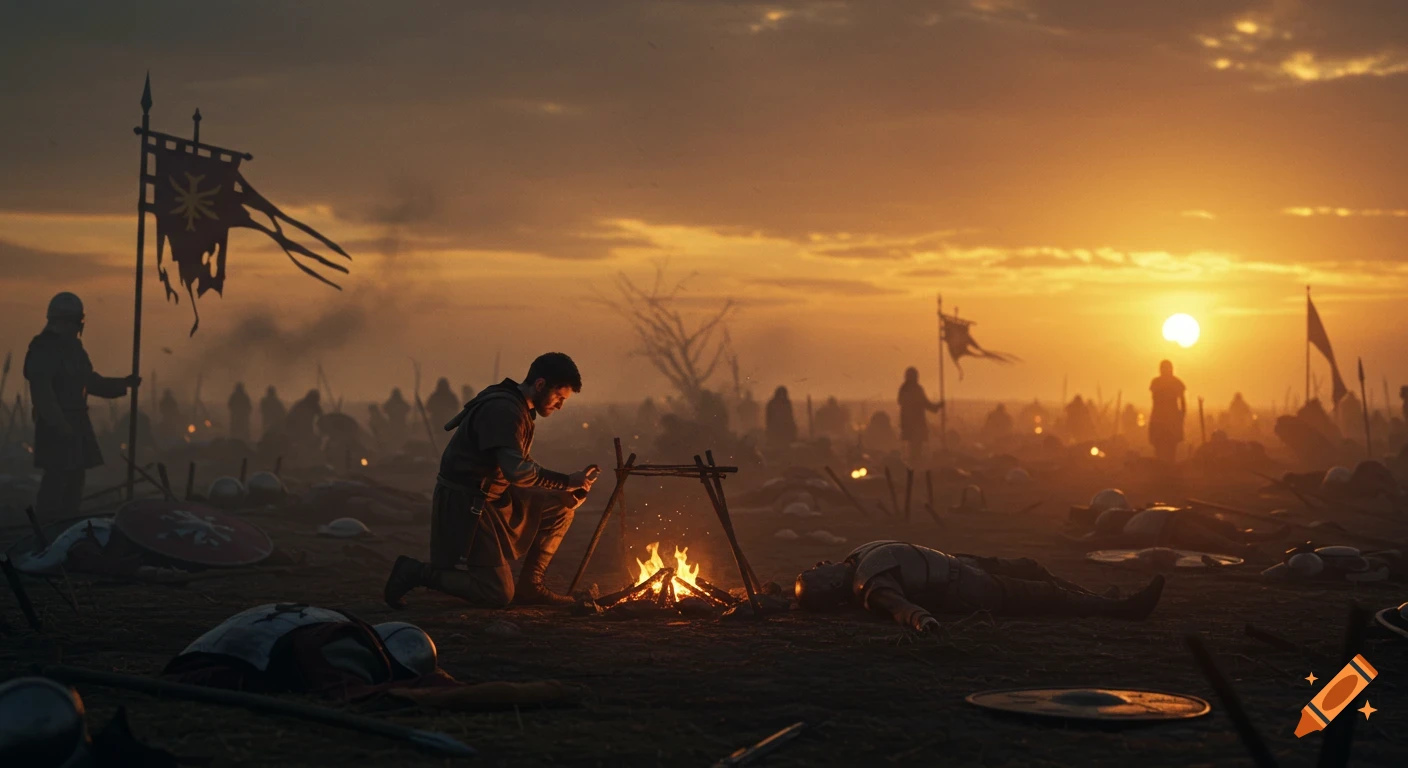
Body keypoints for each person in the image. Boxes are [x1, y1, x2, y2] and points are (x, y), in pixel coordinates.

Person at [384, 353, 600, 609]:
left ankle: (531, 586)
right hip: (468, 503)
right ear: (540, 384)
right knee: (497, 593)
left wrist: (563, 490)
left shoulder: (518, 406)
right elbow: (518, 471)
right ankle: (415, 572)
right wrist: (565, 481)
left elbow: (518, 465)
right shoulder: (504, 409)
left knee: (560, 507)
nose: (560, 405)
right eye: (559, 397)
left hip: (496, 496)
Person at [795, 541, 1165, 632]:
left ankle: (1096, 598)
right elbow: (900, 608)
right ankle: (1122, 609)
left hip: (960, 563)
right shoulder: (870, 585)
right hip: (966, 588)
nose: (819, 565)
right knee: (1044, 596)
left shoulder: (857, 559)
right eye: (816, 573)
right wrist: (923, 622)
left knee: (1032, 568)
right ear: (832, 584)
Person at [23, 292, 139, 521]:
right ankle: (47, 530)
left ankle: (67, 524)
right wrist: (60, 425)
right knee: (56, 480)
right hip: (56, 425)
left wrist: (123, 384)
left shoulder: (73, 349)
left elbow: (88, 381)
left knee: (74, 482)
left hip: (75, 422)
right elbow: (43, 393)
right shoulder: (43, 349)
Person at [897, 367, 943, 464]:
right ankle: (914, 463)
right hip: (914, 424)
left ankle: (914, 462)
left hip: (913, 423)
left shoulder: (906, 389)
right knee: (915, 446)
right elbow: (924, 403)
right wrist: (936, 407)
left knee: (916, 446)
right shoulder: (910, 389)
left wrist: (937, 406)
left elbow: (924, 403)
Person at [1148, 360, 1187, 464]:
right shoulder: (1156, 382)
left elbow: (1182, 402)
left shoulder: (1175, 382)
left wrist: (1181, 417)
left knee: (1171, 450)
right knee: (1159, 450)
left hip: (1170, 421)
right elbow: (1154, 399)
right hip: (1159, 420)